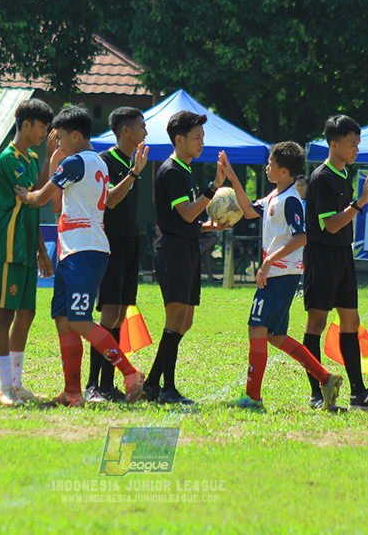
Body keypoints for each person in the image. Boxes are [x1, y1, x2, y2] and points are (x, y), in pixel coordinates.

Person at [16, 105, 144, 405]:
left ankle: (130, 372)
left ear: (75, 135)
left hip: (83, 251)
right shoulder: (99, 163)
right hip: (77, 249)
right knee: (63, 319)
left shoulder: (73, 164)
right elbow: (106, 201)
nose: (57, 143)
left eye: (58, 138)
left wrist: (22, 194)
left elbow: (39, 199)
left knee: (80, 320)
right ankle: (73, 392)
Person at [222, 141, 343, 410]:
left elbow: (301, 238)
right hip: (279, 274)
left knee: (256, 328)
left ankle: (252, 397)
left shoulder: (290, 200)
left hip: (280, 274)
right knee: (274, 336)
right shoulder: (274, 196)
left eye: (271, 164)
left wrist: (268, 262)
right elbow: (249, 210)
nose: (267, 168)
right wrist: (231, 176)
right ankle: (326, 378)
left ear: (285, 171)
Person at [302, 115, 368, 410]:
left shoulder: (345, 176)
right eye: (351, 143)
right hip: (322, 257)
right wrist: (359, 204)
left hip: (343, 256)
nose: (356, 148)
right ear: (334, 144)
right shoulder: (321, 178)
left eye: (358, 143)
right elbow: (330, 225)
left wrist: (357, 204)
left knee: (351, 323)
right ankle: (317, 393)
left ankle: (359, 393)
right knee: (315, 324)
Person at [143, 111, 227, 405]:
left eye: (202, 137)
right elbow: (187, 212)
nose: (201, 142)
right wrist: (213, 187)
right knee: (175, 318)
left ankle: (152, 383)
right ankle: (167, 389)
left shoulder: (186, 170)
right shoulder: (172, 171)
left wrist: (209, 224)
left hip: (187, 247)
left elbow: (189, 218)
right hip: (174, 251)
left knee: (185, 321)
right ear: (179, 140)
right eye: (196, 137)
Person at [0, 99, 55, 406]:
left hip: (26, 246)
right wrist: (51, 160)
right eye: (42, 127)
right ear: (25, 125)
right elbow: (34, 197)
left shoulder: (31, 157)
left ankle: (16, 382)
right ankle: (4, 388)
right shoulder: (9, 158)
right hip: (8, 245)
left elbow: (33, 209)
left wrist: (41, 251)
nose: (44, 133)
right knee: (5, 315)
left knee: (27, 313)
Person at [86, 107, 148, 403]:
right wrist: (134, 173)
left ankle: (109, 384)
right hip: (110, 244)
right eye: (141, 127)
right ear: (125, 131)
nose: (145, 132)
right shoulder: (105, 162)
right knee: (109, 312)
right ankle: (92, 384)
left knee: (122, 314)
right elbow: (109, 201)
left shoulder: (134, 161)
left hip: (130, 242)